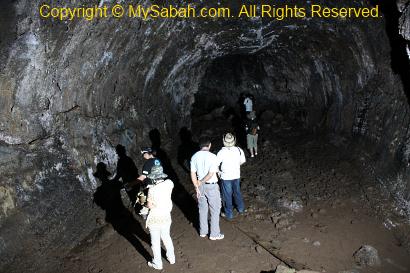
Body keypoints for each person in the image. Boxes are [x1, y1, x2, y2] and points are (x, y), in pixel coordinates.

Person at [190, 137, 224, 240]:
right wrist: (201, 182)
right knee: (215, 209)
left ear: (200, 146)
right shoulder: (213, 156)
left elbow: (192, 173)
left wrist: (197, 185)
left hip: (200, 186)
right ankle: (214, 234)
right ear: (209, 145)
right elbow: (211, 174)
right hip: (211, 186)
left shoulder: (194, 156)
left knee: (202, 209)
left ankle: (203, 231)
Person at [145, 165, 175, 270]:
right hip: (166, 216)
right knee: (166, 237)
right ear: (162, 175)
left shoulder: (152, 190)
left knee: (155, 242)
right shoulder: (170, 183)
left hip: (155, 218)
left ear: (153, 177)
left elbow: (149, 205)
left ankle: (158, 263)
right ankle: (172, 258)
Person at [216, 133, 246, 220]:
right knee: (237, 192)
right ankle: (240, 209)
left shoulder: (221, 152)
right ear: (234, 141)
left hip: (226, 177)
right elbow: (243, 161)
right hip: (236, 175)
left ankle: (229, 214)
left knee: (227, 195)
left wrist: (219, 173)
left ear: (224, 141)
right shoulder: (239, 150)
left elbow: (216, 164)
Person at [136, 147, 162, 218]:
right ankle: (146, 211)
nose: (143, 156)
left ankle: (146, 212)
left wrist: (131, 184)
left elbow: (143, 177)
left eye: (143, 154)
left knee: (140, 196)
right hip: (161, 183)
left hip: (152, 186)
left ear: (147, 153)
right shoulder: (158, 160)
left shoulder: (148, 162)